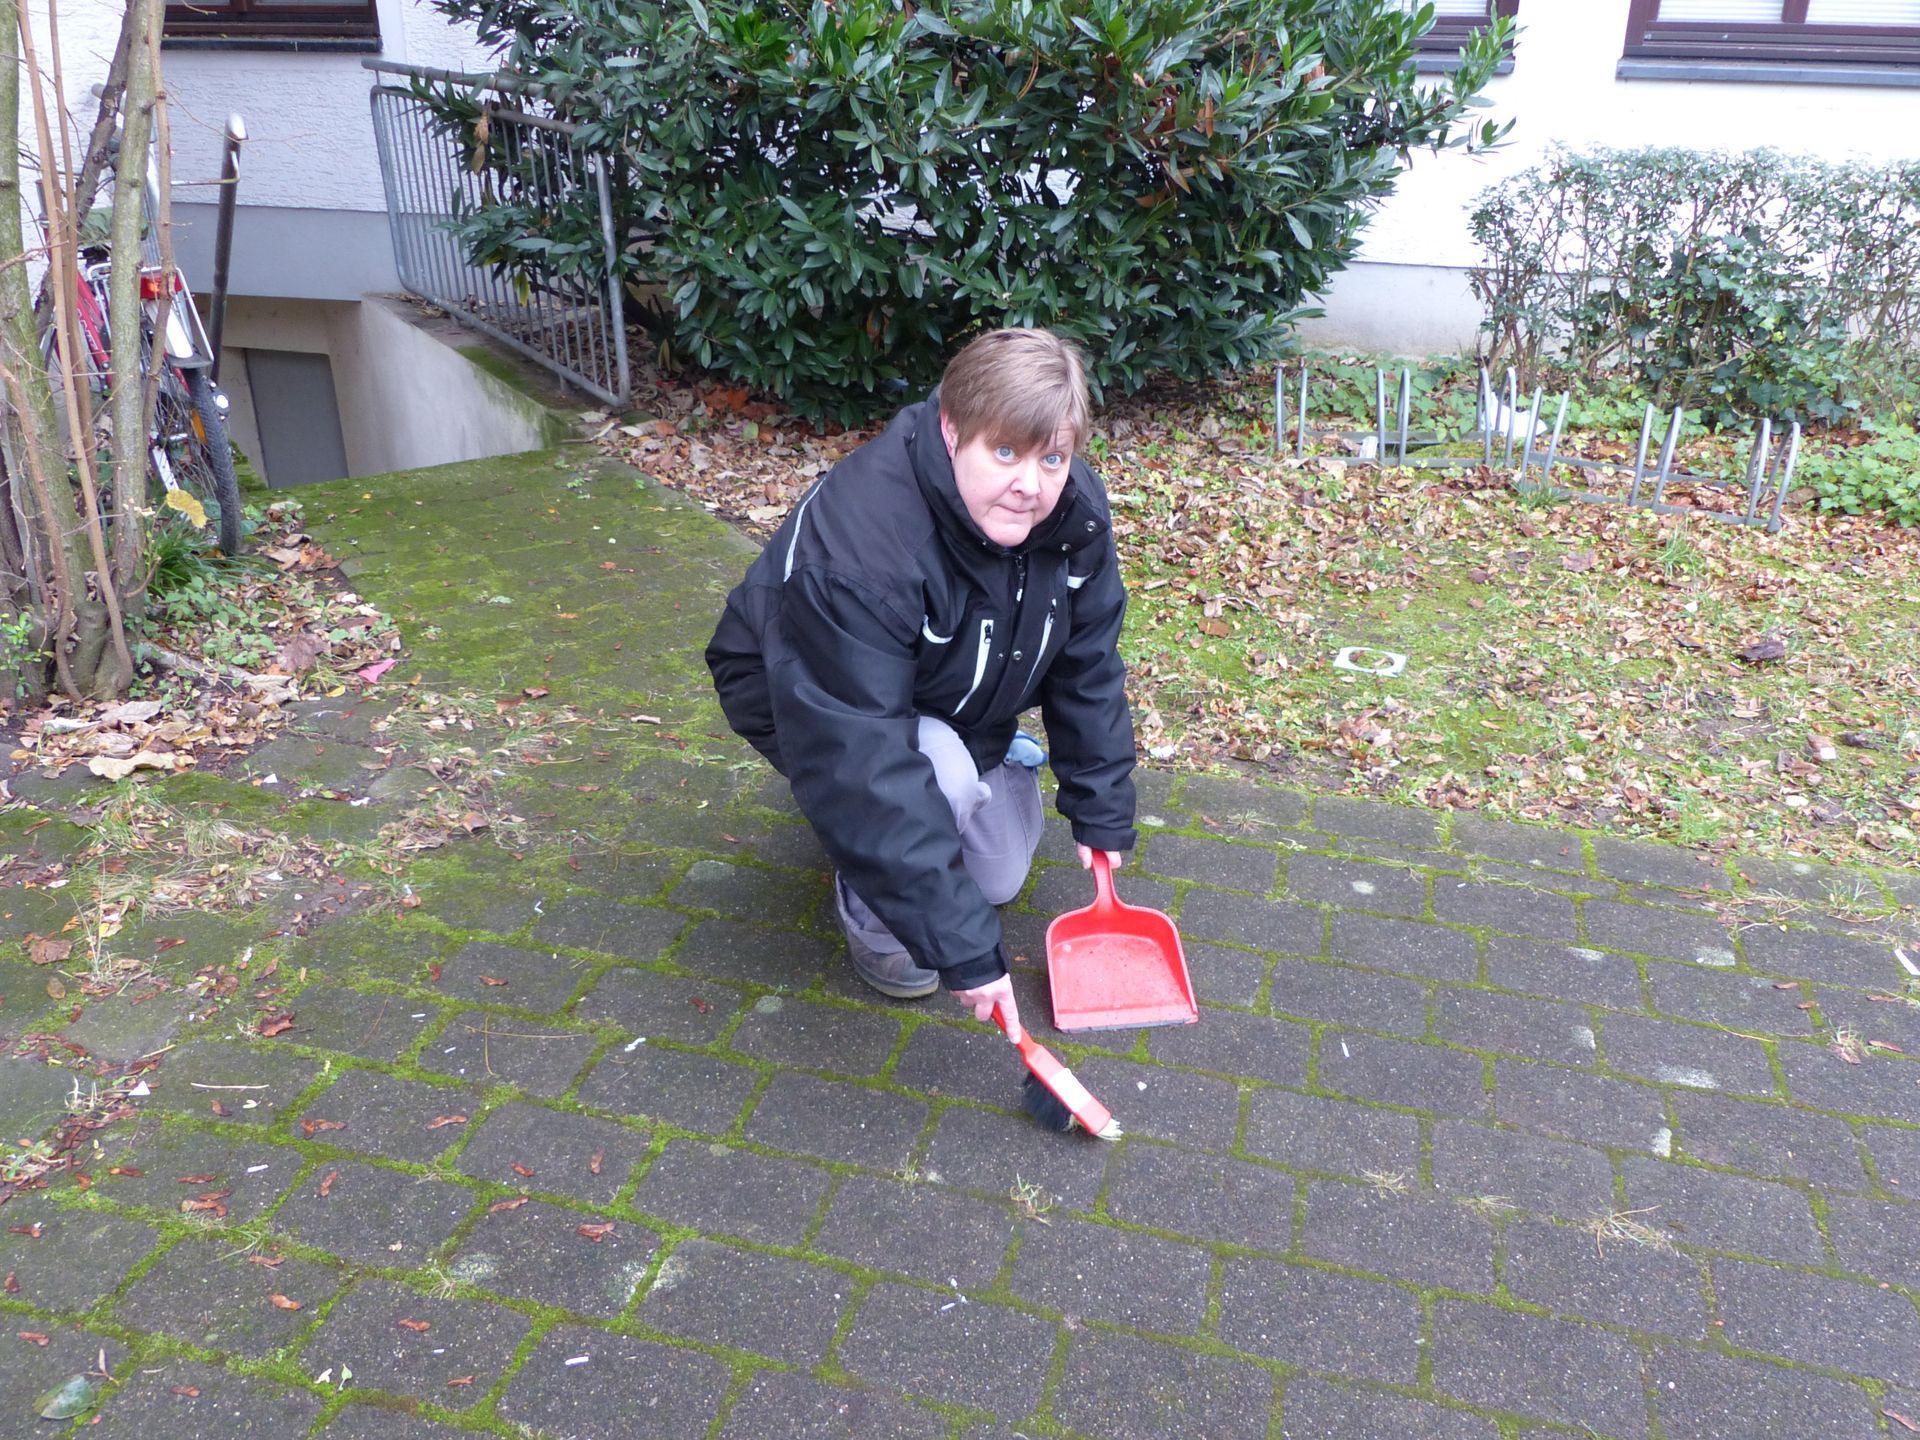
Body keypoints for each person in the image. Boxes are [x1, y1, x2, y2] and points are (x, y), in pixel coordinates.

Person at [705, 327, 1137, 1043]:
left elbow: (1087, 665)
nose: (1030, 483)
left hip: (947, 690)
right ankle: (870, 890)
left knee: (996, 880)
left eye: (1051, 457)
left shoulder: (1070, 514)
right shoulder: (861, 549)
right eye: (1005, 451)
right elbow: (860, 753)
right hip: (808, 692)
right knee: (918, 786)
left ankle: (981, 772)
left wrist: (1101, 808)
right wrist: (963, 949)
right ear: (950, 430)